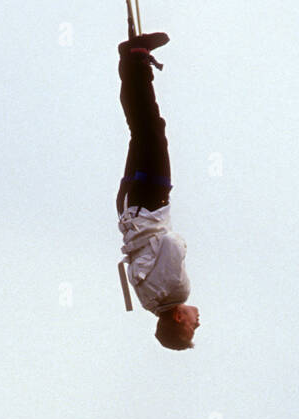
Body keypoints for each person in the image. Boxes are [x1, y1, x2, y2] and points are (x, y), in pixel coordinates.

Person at [116, 32, 201, 350]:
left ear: (179, 320)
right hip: (128, 207)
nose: (197, 323)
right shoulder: (148, 303)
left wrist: (183, 247)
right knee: (140, 129)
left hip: (151, 202)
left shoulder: (178, 292)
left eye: (192, 329)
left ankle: (135, 58)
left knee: (152, 128)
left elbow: (171, 244)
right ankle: (132, 62)